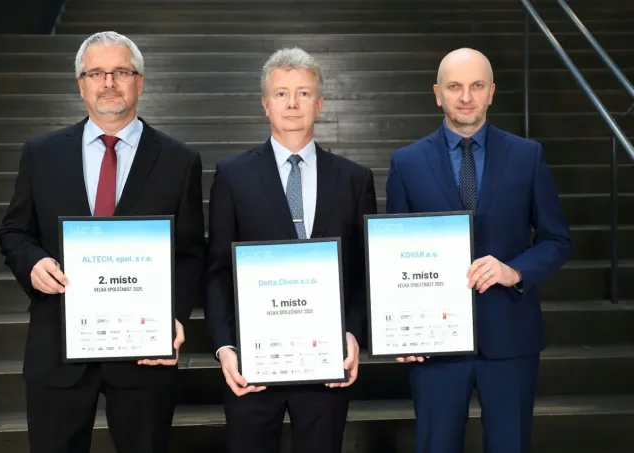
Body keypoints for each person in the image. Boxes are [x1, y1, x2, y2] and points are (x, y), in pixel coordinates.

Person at [0, 31, 205, 453]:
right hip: (58, 347)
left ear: (139, 82)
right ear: (81, 85)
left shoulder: (179, 161)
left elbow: (189, 253)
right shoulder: (41, 154)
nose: (109, 82)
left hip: (143, 350)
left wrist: (175, 317)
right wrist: (32, 263)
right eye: (96, 73)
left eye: (120, 72)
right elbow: (13, 232)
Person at [386, 48, 572, 453]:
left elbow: (557, 239)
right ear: (438, 94)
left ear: (491, 92)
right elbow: (392, 254)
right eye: (455, 86)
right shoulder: (406, 162)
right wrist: (397, 332)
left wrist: (515, 271)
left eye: (477, 86)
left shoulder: (527, 155)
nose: (466, 96)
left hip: (511, 338)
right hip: (434, 344)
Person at [204, 47, 377, 453]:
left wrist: (353, 333)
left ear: (320, 103)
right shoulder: (232, 176)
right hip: (252, 361)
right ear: (265, 104)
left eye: (303, 93)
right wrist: (225, 347)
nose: (292, 103)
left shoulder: (354, 179)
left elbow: (362, 272)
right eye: (281, 93)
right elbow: (217, 271)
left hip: (326, 361)